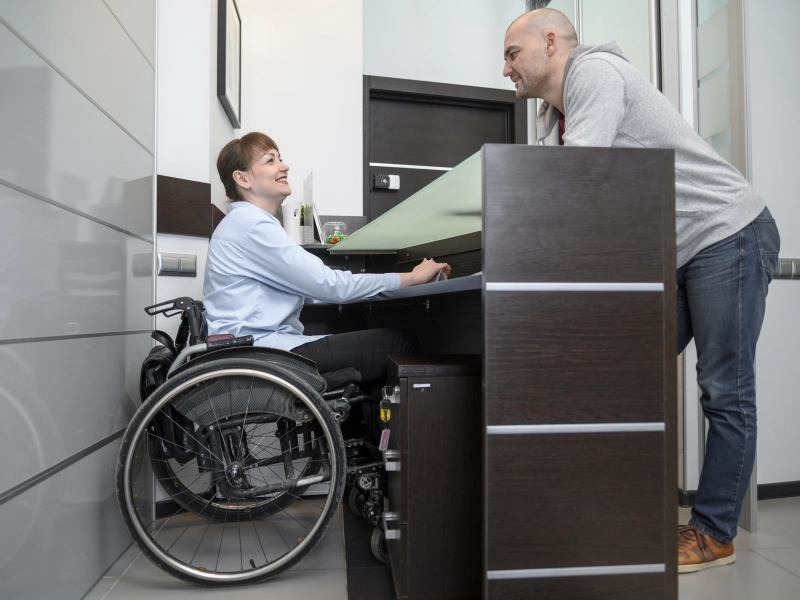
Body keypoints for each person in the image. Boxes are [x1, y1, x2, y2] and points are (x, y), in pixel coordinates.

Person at [503, 9, 780, 573]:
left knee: (724, 389)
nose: (504, 66)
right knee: (622, 372)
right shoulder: (551, 118)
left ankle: (714, 532)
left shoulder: (594, 74)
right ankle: (617, 510)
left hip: (726, 233)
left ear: (550, 43)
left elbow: (574, 189)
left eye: (512, 52)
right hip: (676, 254)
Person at [203, 131, 450, 383]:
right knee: (400, 342)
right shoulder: (251, 225)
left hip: (252, 348)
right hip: (259, 351)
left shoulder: (245, 223)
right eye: (270, 161)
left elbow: (313, 287)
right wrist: (411, 277)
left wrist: (343, 284)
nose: (284, 166)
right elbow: (331, 286)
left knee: (349, 332)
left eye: (280, 158)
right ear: (242, 178)